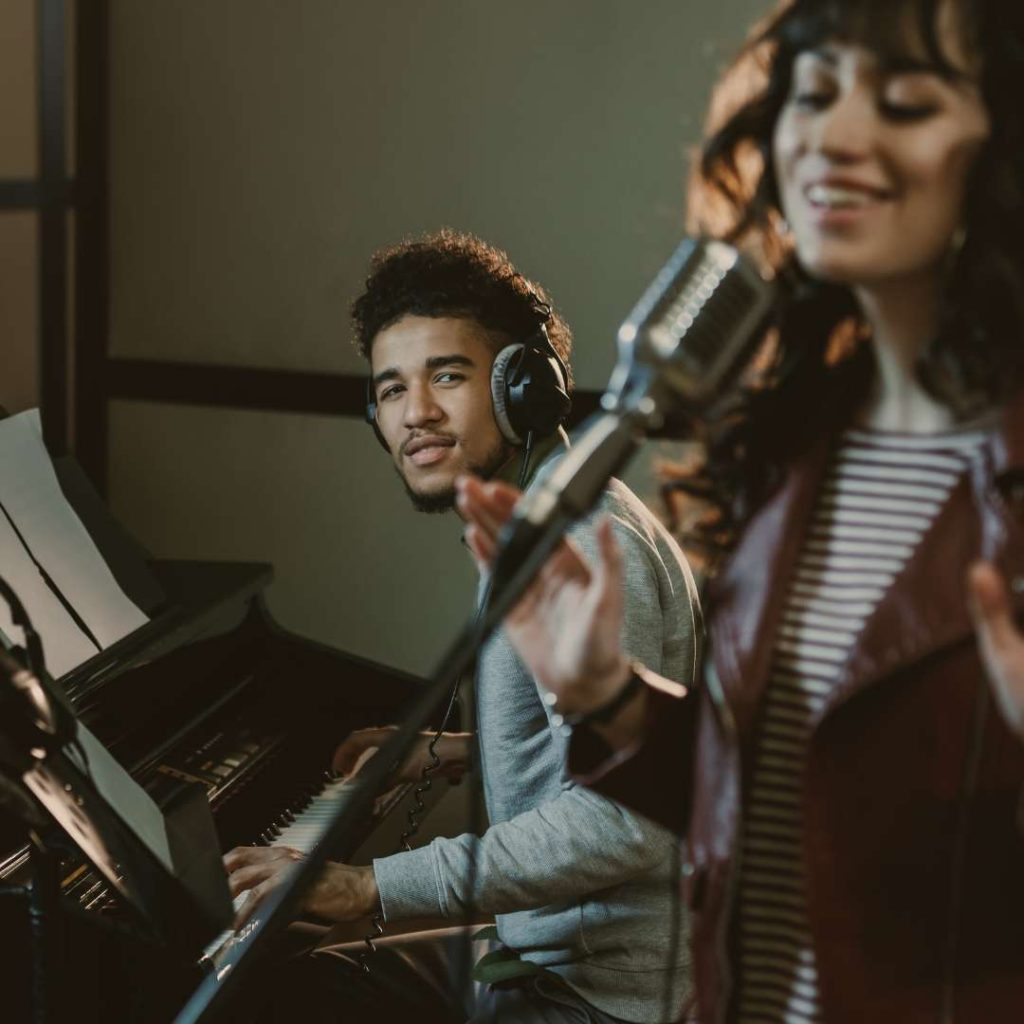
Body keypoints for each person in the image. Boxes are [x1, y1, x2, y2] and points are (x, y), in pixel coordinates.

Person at [457, 1, 1024, 1021]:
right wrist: (612, 701)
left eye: (901, 103)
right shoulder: (799, 446)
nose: (831, 136)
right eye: (809, 96)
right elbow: (782, 813)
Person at [225, 230, 702, 1023]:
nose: (416, 414)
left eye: (448, 375)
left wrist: (370, 886)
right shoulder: (538, 517)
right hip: (561, 951)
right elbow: (597, 747)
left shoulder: (581, 546)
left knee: (280, 988)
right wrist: (449, 752)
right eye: (389, 390)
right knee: (297, 967)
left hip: (601, 993)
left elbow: (628, 820)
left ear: (525, 390)